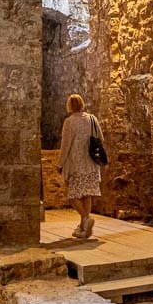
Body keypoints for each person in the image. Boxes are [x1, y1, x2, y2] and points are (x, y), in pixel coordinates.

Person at [58, 93, 105, 239]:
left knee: (73, 196)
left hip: (76, 163)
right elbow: (100, 138)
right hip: (91, 163)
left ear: (70, 106)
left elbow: (65, 145)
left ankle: (85, 218)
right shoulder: (92, 119)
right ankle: (84, 228)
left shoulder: (69, 122)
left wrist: (60, 163)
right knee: (86, 195)